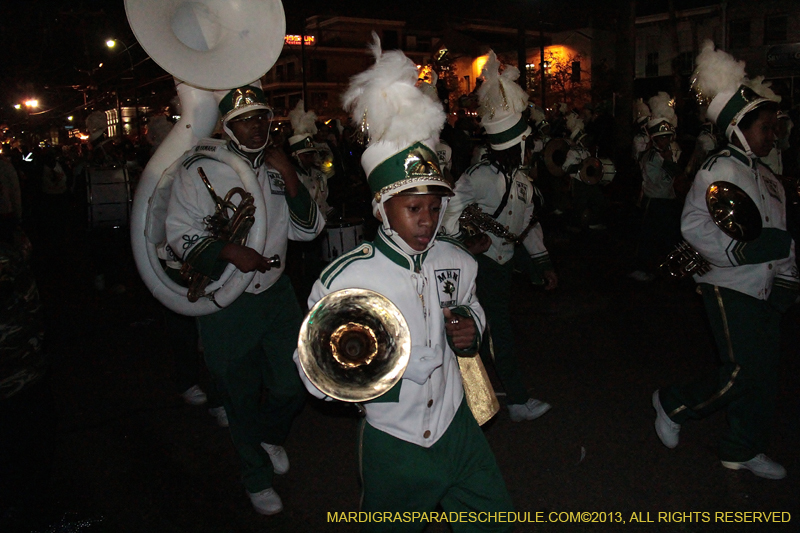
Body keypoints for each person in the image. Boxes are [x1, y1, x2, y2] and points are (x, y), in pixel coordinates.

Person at [295, 36, 514, 531]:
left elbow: (471, 304)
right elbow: (314, 372)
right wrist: (357, 368)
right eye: (413, 208)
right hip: (395, 441)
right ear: (381, 208)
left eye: (435, 208)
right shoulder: (347, 277)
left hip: (460, 428)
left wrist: (470, 328)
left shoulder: (459, 260)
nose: (427, 220)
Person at [165, 84, 324, 514]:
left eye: (261, 118)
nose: (256, 127)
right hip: (226, 300)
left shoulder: (276, 168)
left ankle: (269, 435)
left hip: (276, 294)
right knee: (237, 395)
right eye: (245, 120)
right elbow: (179, 233)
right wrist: (231, 250)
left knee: (295, 381)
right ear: (227, 126)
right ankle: (254, 475)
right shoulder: (200, 168)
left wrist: (290, 175)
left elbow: (309, 231)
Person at [653, 41, 798, 480]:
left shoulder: (768, 176)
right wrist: (746, 253)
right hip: (726, 285)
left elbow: (782, 235)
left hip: (765, 287)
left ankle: (741, 448)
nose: (773, 135)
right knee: (741, 372)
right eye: (766, 127)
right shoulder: (718, 169)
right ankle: (674, 403)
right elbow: (694, 228)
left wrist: (789, 278)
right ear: (739, 126)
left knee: (764, 376)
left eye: (776, 128)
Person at [442, 51, 556, 423]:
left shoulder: (521, 179)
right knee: (496, 334)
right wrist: (464, 240)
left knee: (492, 330)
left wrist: (543, 264)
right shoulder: (482, 176)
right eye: (525, 142)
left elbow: (527, 225)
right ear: (514, 145)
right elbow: (449, 207)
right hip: (484, 265)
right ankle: (517, 401)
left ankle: (469, 395)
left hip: (505, 263)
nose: (530, 147)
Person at [629, 92, 683, 282]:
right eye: (662, 139)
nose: (667, 142)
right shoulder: (651, 157)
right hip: (654, 202)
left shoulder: (666, 154)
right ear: (655, 140)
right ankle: (641, 268)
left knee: (669, 237)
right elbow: (661, 180)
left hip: (667, 201)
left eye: (668, 138)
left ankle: (666, 268)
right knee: (647, 237)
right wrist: (669, 164)